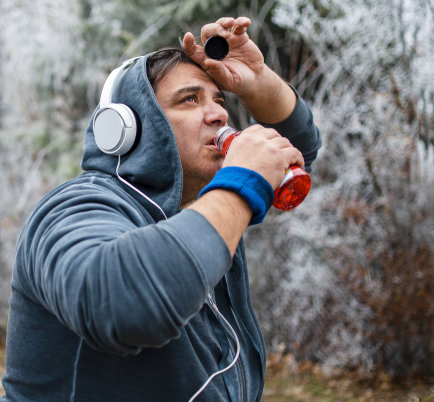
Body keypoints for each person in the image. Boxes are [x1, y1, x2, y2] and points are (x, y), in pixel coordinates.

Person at [1, 16, 321, 401]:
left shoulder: (201, 207)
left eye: (219, 100)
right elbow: (121, 303)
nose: (220, 114)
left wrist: (256, 78)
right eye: (189, 99)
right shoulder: (74, 208)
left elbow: (299, 145)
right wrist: (242, 184)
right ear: (131, 128)